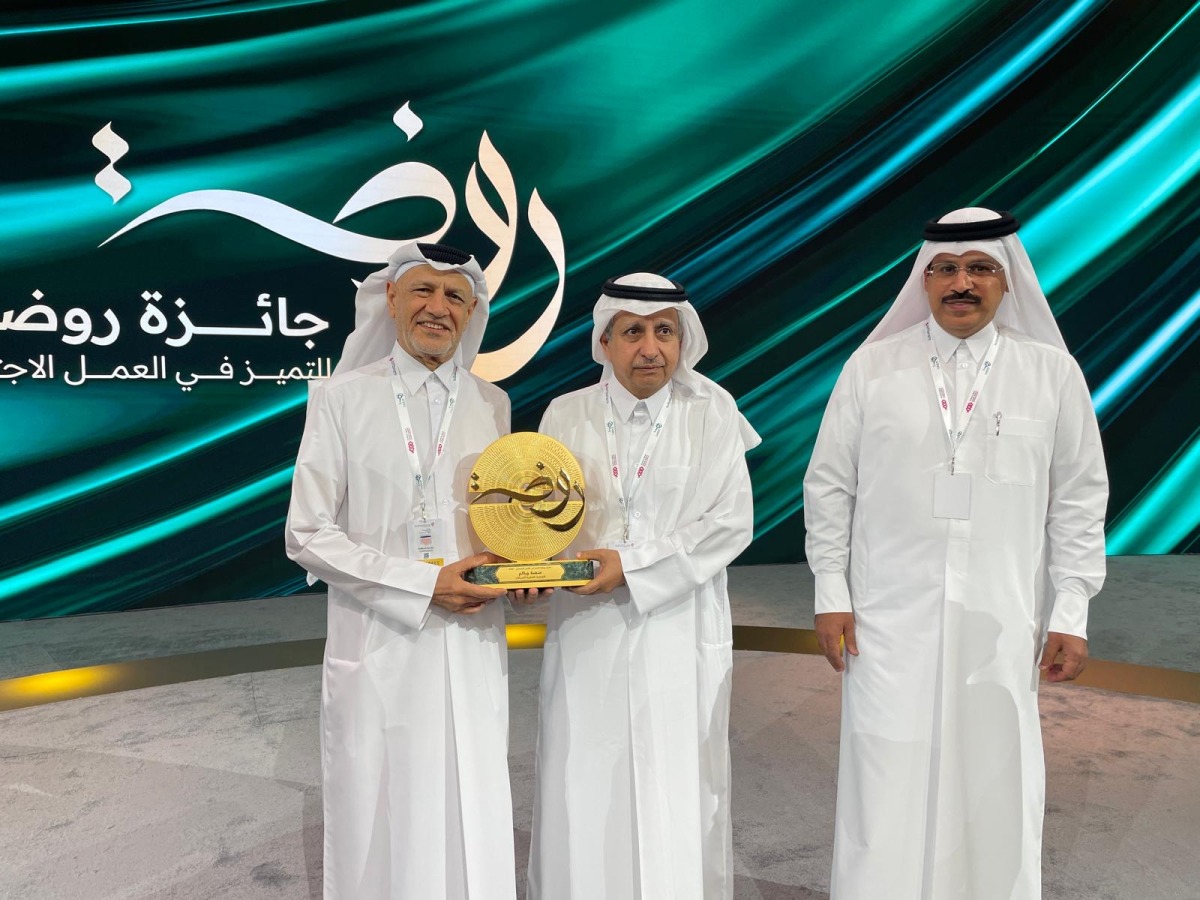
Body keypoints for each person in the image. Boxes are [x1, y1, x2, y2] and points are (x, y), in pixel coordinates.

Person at [803, 208, 1108, 899]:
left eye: (979, 269)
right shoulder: (872, 368)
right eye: (945, 268)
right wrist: (831, 592)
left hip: (1000, 619)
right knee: (885, 773)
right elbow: (828, 486)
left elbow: (1079, 498)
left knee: (995, 775)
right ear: (925, 278)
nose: (961, 283)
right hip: (885, 617)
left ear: (1007, 281)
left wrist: (1072, 610)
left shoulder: (1051, 373)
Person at [285, 242, 516, 900]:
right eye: (423, 291)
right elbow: (306, 533)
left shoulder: (493, 403)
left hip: (471, 641)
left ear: (471, 313)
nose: (438, 307)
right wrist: (423, 584)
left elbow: (502, 521)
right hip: (380, 642)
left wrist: (519, 571)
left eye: (455, 296)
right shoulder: (341, 398)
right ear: (390, 299)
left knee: (469, 798)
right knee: (382, 807)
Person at [522, 273, 760, 899]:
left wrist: (632, 565)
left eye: (664, 332)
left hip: (678, 624)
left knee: (674, 779)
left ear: (684, 340)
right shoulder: (565, 413)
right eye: (632, 332)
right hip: (587, 627)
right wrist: (529, 566)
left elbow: (731, 524)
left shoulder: (712, 411)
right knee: (584, 774)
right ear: (604, 341)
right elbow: (542, 516)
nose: (650, 348)